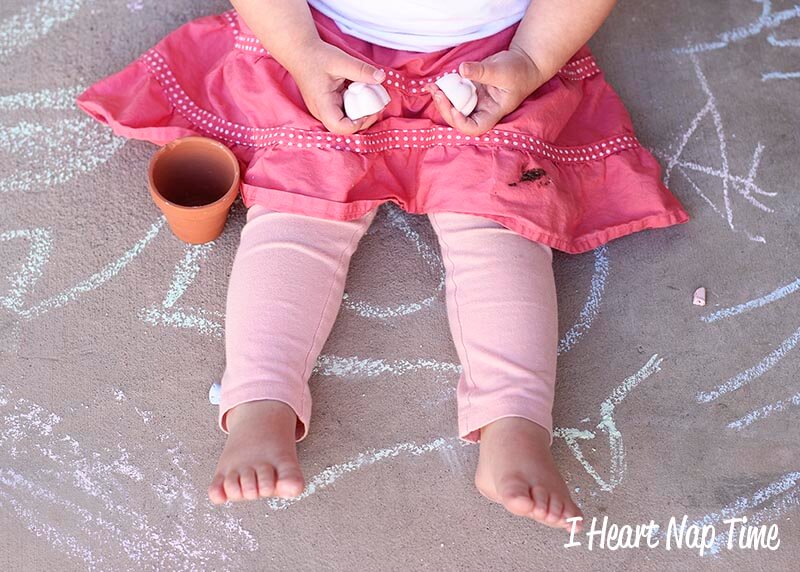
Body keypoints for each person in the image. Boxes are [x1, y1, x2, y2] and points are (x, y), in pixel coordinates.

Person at [76, 0, 689, 531]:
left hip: (497, 61)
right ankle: (260, 403)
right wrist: (298, 52)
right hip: (323, 46)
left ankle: (515, 424)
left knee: (500, 225)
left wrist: (531, 61)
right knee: (299, 215)